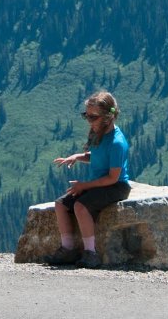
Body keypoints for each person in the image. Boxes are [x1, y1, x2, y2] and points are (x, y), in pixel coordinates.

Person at [44, 90, 131, 268]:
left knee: (80, 206)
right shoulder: (100, 134)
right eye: (87, 116)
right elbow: (98, 157)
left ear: (108, 117)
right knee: (61, 204)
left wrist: (84, 186)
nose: (89, 121)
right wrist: (77, 156)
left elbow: (113, 177)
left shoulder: (117, 143)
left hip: (116, 186)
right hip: (100, 183)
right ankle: (68, 248)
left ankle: (91, 253)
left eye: (93, 117)